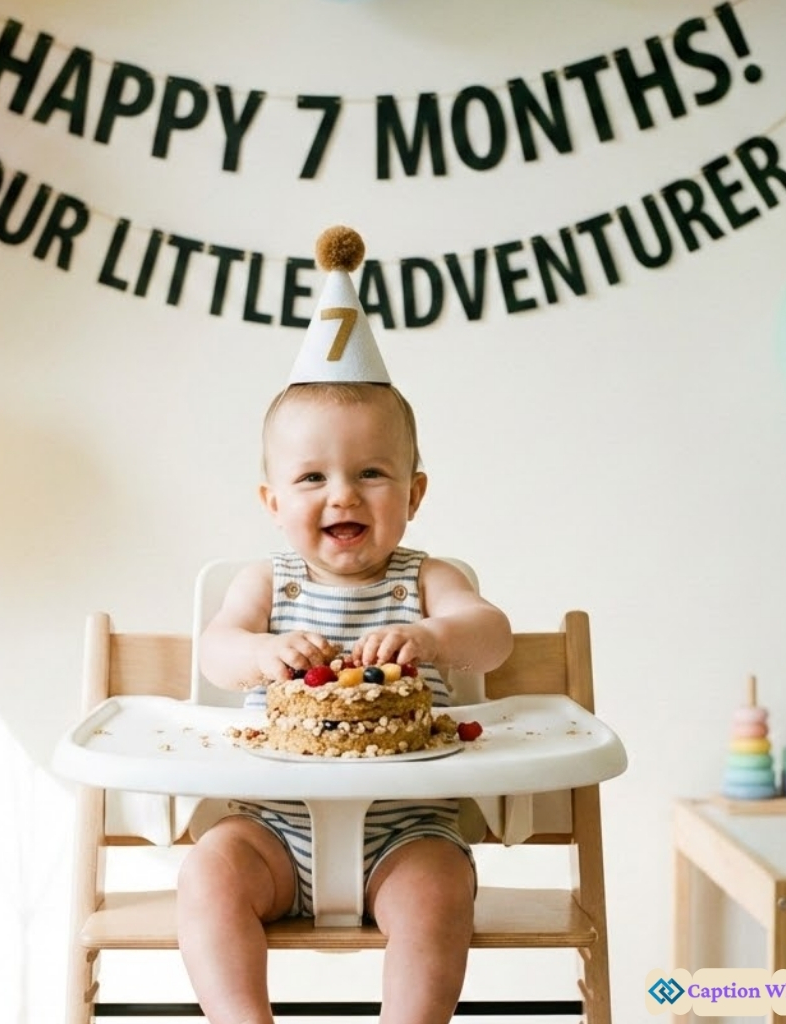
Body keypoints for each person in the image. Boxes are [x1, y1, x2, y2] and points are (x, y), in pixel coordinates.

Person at [176, 378, 513, 1024]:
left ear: (413, 494)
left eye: (371, 472)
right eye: (311, 478)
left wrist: (431, 636)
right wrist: (257, 654)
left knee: (439, 889)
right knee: (207, 874)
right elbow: (214, 650)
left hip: (406, 833)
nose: (343, 494)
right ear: (272, 502)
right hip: (273, 832)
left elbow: (492, 636)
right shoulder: (269, 584)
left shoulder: (427, 580)